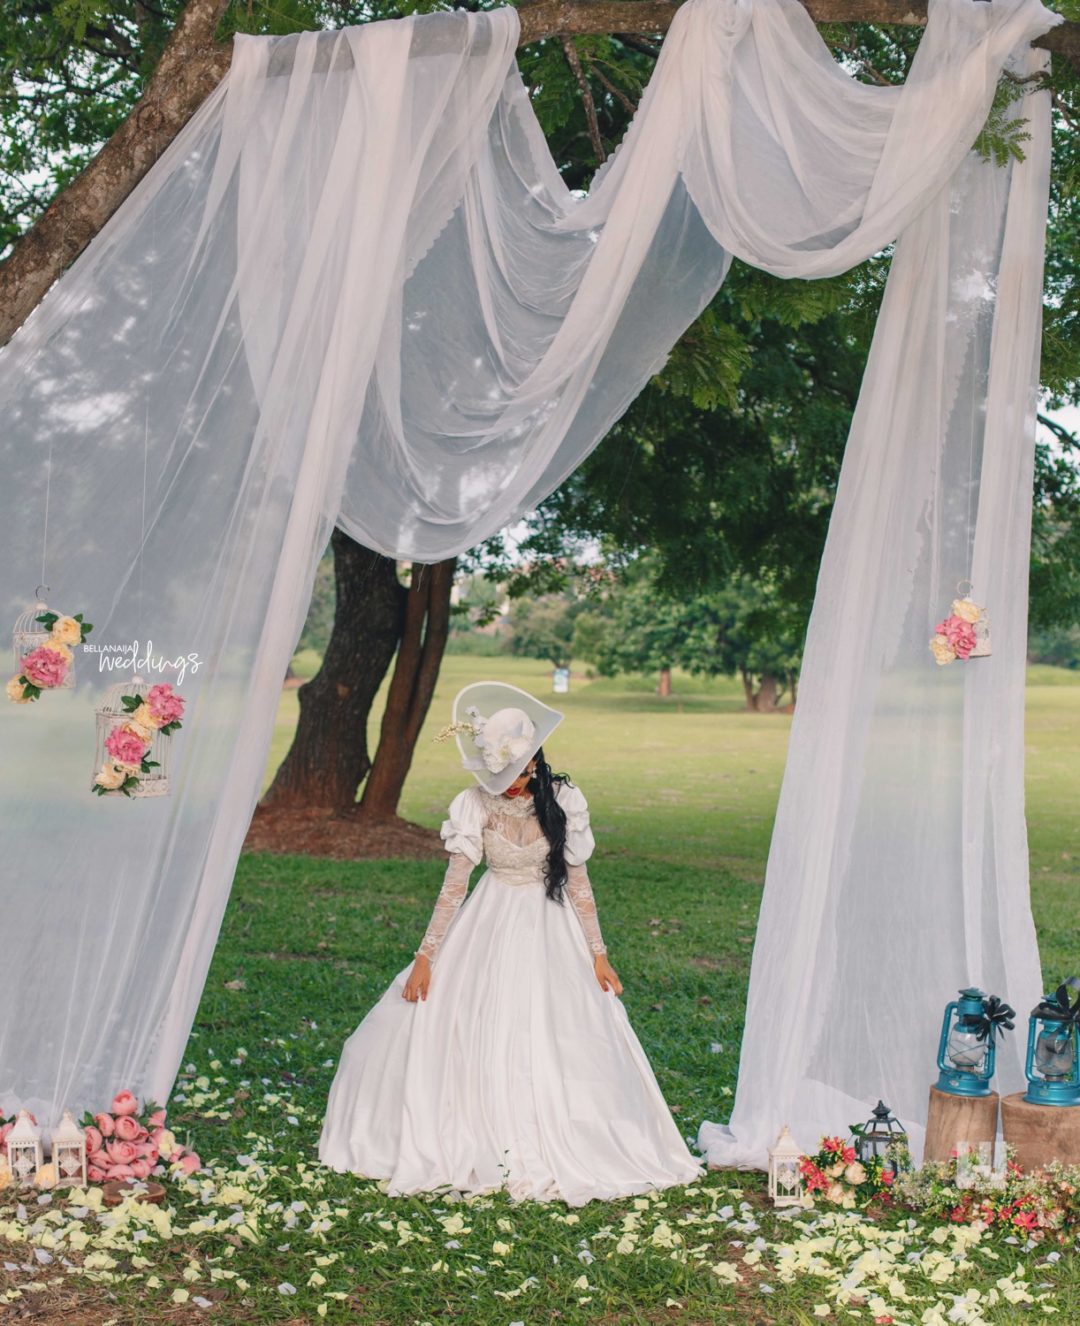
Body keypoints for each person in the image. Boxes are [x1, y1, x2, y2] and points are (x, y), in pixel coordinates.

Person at [318, 680, 702, 1205]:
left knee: (560, 1026)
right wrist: (425, 958)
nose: (515, 785)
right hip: (491, 917)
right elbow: (454, 888)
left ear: (537, 763)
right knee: (470, 1019)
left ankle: (567, 1130)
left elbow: (579, 883)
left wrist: (598, 954)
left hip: (551, 924)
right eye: (505, 776)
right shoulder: (474, 804)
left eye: (523, 773)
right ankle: (477, 1125)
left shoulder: (563, 800)